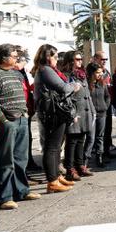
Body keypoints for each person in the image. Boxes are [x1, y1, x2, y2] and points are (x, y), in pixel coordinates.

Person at [0, 44, 41, 209]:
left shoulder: (15, 74)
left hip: (22, 119)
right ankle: (4, 197)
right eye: (14, 56)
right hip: (7, 123)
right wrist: (3, 120)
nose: (16, 59)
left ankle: (21, 191)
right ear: (3, 57)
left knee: (21, 159)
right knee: (5, 160)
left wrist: (26, 114)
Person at [33, 44, 80, 194]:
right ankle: (52, 180)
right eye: (54, 56)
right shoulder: (45, 70)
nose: (56, 59)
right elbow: (64, 88)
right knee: (52, 148)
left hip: (55, 112)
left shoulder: (48, 70)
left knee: (55, 148)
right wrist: (75, 85)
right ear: (48, 57)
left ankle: (56, 177)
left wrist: (70, 85)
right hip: (51, 113)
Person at [62, 51, 95, 181]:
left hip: (85, 112)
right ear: (70, 60)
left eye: (81, 59)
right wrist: (72, 113)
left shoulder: (82, 75)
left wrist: (92, 111)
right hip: (75, 112)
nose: (80, 61)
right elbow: (66, 97)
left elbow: (88, 95)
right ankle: (70, 169)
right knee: (72, 141)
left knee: (81, 139)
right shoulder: (66, 75)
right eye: (77, 59)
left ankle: (80, 165)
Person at [86, 63, 111, 167]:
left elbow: (107, 96)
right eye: (97, 72)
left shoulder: (102, 83)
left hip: (102, 113)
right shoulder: (86, 85)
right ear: (91, 73)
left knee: (100, 136)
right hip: (91, 114)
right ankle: (85, 161)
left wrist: (105, 106)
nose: (100, 74)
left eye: (101, 72)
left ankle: (99, 157)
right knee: (90, 138)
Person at [92, 51, 116, 160]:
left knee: (107, 130)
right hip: (95, 108)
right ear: (96, 59)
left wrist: (106, 105)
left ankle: (106, 151)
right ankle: (97, 155)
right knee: (97, 134)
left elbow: (108, 90)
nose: (105, 61)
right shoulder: (92, 72)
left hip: (106, 106)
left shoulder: (106, 72)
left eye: (106, 59)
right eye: (102, 59)